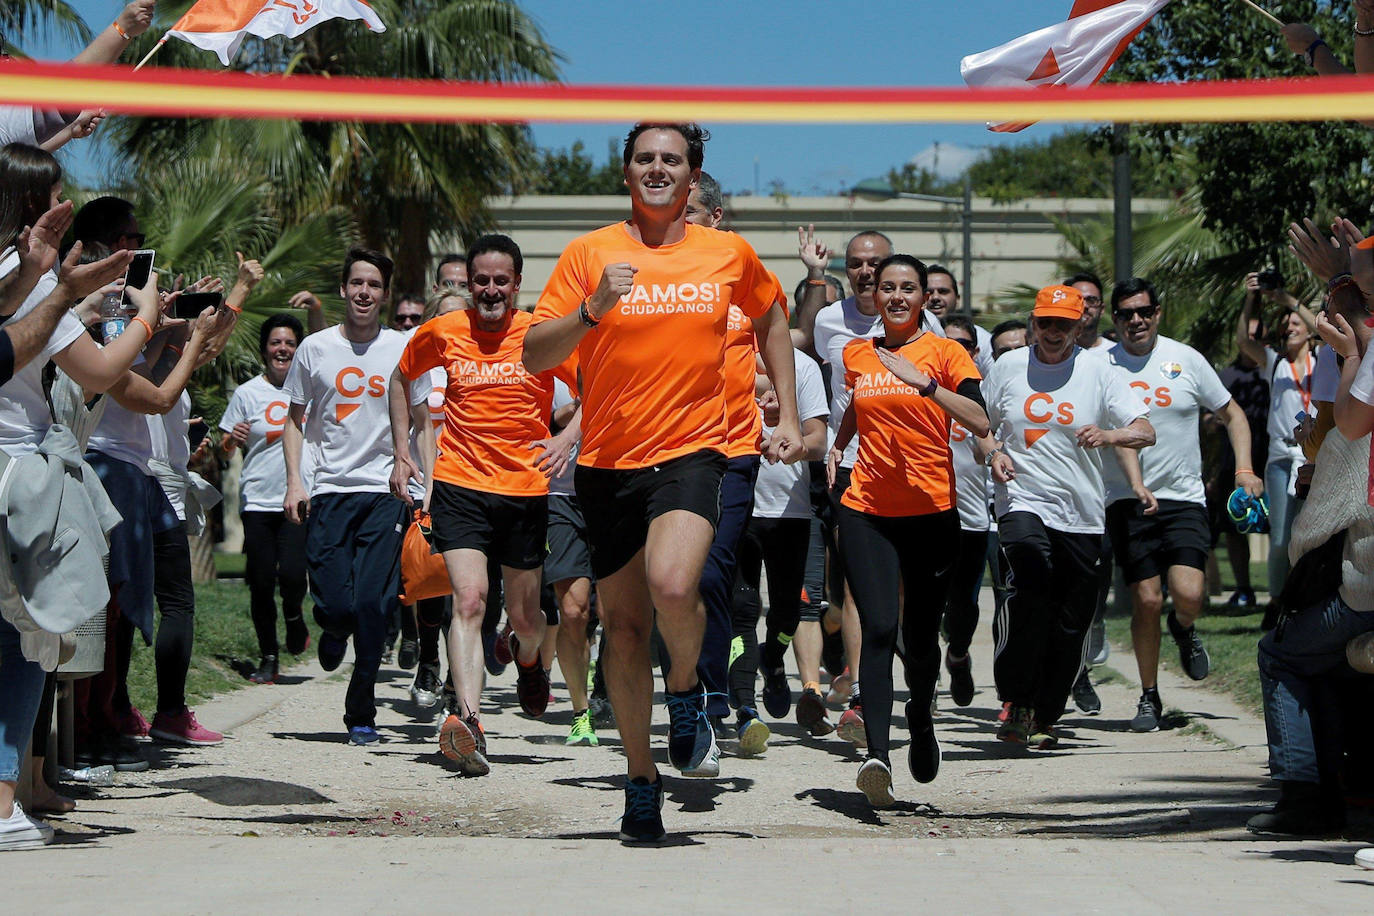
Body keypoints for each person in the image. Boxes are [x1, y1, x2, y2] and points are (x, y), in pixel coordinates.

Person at [523, 122, 802, 844]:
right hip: (608, 466)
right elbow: (532, 352)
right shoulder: (590, 253)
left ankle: (685, 689)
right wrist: (591, 311)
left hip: (693, 451)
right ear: (627, 172)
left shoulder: (727, 253)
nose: (657, 168)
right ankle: (641, 779)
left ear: (692, 174)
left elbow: (773, 317)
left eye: (671, 159)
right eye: (645, 158)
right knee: (622, 629)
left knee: (676, 585)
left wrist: (791, 412)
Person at [390, 234, 577, 774]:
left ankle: (529, 661)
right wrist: (403, 452)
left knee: (523, 616)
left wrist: (568, 438)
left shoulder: (541, 336)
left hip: (523, 490)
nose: (490, 290)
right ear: (467, 283)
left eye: (501, 281)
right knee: (468, 603)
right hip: (460, 484)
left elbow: (597, 385)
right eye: (481, 281)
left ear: (517, 284)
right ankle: (468, 722)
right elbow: (402, 378)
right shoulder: (444, 331)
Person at [825, 254, 989, 807]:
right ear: (875, 296)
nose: (895, 296)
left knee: (921, 641)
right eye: (887, 288)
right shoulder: (857, 352)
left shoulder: (946, 353)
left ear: (923, 297)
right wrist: (840, 444)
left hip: (931, 511)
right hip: (866, 506)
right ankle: (877, 754)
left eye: (907, 288)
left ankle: (921, 715)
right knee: (877, 627)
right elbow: (861, 406)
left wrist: (925, 386)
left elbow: (980, 419)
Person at [0, 228, 134, 850]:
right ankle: (3, 808)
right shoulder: (31, 288)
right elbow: (104, 371)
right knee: (26, 640)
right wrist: (150, 314)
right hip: (18, 485)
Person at [982, 285, 1154, 747]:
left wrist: (1110, 434)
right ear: (1033, 324)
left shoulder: (1101, 372)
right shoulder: (1009, 365)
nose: (1052, 332)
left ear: (1080, 324)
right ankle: (1016, 699)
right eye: (1044, 323)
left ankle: (1045, 713)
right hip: (1021, 498)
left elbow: (1146, 431)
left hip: (1080, 513)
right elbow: (980, 423)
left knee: (1070, 619)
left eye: (1062, 323)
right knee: (1031, 583)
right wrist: (994, 451)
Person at [1101, 278, 1264, 732]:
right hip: (1126, 500)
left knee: (1190, 595)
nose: (1136, 320)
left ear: (1158, 314)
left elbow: (1233, 414)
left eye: (1144, 312)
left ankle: (1185, 629)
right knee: (1147, 598)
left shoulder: (1185, 358)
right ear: (1114, 320)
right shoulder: (1098, 364)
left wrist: (1244, 470)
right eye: (1126, 314)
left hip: (1184, 496)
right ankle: (1149, 696)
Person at [282, 247, 424, 746]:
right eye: (357, 284)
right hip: (328, 489)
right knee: (337, 603)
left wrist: (422, 480)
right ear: (343, 290)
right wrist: (295, 481)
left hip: (384, 490)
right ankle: (332, 626)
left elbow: (422, 420)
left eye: (375, 286)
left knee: (373, 603)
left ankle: (361, 708)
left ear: (384, 295)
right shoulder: (315, 348)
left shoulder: (404, 348)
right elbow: (294, 420)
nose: (365, 293)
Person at [812, 229, 945, 748]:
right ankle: (870, 708)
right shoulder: (836, 331)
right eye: (862, 267)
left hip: (919, 479)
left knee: (913, 605)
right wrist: (838, 445)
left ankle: (918, 698)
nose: (874, 279)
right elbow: (846, 397)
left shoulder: (933, 336)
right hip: (856, 475)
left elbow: (959, 407)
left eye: (887, 272)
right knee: (862, 594)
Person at [682, 170, 786, 752]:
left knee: (712, 569)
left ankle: (711, 695)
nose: (681, 220)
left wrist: (785, 408)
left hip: (733, 449)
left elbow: (775, 331)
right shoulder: (656, 274)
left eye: (690, 210)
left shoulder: (742, 273)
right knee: (675, 581)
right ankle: (689, 692)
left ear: (715, 217)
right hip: (665, 448)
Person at [730, 342, 829, 734]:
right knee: (741, 609)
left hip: (790, 510)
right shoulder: (720, 353)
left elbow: (819, 439)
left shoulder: (800, 366)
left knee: (788, 614)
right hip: (738, 507)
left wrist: (794, 447)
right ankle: (744, 709)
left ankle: (773, 659)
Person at [220, 314, 311, 684]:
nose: (282, 349)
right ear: (264, 351)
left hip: (297, 498)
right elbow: (224, 451)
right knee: (259, 582)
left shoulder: (310, 392)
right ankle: (269, 656)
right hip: (257, 499)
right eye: (276, 343)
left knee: (291, 574)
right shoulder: (247, 394)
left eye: (289, 343)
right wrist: (231, 440)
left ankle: (293, 616)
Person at [1235, 272, 1318, 605]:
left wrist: (1288, 301)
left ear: (1311, 330)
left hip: (1317, 455)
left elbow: (1327, 329)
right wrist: (1250, 299)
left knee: (1311, 535)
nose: (1291, 328)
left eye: (1297, 323)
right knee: (1282, 536)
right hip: (1283, 458)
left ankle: (1307, 600)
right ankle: (1278, 601)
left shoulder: (1323, 360)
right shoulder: (1275, 363)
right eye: (1286, 324)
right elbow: (1244, 341)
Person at [936, 315, 992, 708]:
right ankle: (922, 682)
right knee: (919, 605)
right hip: (928, 514)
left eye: (965, 344)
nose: (957, 350)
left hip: (973, 518)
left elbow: (993, 437)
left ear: (975, 352)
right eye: (948, 342)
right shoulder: (921, 387)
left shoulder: (983, 393)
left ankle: (957, 654)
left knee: (964, 607)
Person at [1212, 313, 1269, 609]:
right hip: (1232, 464)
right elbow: (1208, 421)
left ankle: (1281, 589)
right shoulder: (1226, 377)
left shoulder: (1273, 370)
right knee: (1234, 530)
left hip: (1272, 460)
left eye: (1261, 337)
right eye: (1250, 337)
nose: (1254, 342)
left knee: (1279, 530)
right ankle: (1244, 588)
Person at [925, 263, 992, 374]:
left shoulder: (982, 339)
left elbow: (996, 382)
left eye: (943, 291)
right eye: (929, 292)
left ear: (957, 298)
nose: (935, 297)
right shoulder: (907, 338)